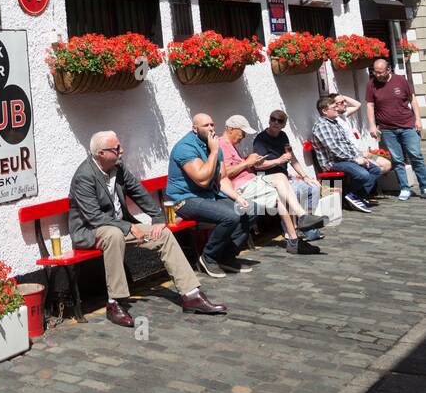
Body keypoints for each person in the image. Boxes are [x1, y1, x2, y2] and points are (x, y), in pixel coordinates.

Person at [68, 131, 226, 324]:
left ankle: (191, 295)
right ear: (101, 153)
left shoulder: (117, 166)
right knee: (113, 234)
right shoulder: (84, 176)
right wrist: (127, 226)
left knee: (163, 234)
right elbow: (94, 217)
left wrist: (157, 217)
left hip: (119, 227)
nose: (121, 151)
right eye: (116, 148)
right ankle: (114, 302)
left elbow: (138, 191)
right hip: (91, 231)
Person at [166, 113, 255, 279]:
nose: (211, 128)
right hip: (185, 199)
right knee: (231, 215)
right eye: (206, 125)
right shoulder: (186, 147)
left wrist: (237, 197)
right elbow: (202, 178)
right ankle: (208, 257)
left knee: (251, 209)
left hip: (208, 196)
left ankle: (227, 256)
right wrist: (214, 151)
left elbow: (222, 178)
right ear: (195, 129)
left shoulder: (213, 145)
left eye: (212, 124)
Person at [219, 116, 321, 255]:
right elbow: (224, 174)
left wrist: (252, 162)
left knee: (281, 180)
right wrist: (247, 162)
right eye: (242, 132)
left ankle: (297, 232)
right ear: (231, 129)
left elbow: (240, 167)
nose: (243, 136)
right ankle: (297, 233)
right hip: (241, 188)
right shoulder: (221, 145)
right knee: (281, 188)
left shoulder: (231, 145)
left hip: (251, 181)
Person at [247, 109, 336, 233]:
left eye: (279, 121)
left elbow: (292, 157)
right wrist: (279, 160)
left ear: (283, 125)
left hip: (285, 176)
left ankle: (308, 223)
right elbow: (258, 165)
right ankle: (296, 230)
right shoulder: (261, 139)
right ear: (269, 120)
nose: (275, 122)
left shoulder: (283, 136)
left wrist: (305, 176)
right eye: (273, 119)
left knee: (314, 187)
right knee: (296, 191)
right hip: (269, 179)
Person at [366, 56, 426, 201]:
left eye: (380, 72)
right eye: (375, 72)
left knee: (416, 156)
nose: (378, 75)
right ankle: (404, 188)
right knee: (397, 160)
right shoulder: (371, 84)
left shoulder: (401, 80)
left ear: (388, 69)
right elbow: (370, 105)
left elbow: (412, 100)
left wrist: (418, 119)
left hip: (407, 125)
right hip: (387, 129)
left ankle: (424, 185)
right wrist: (372, 125)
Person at [311, 96, 381, 213]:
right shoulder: (322, 126)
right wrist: (355, 160)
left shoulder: (334, 123)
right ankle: (348, 195)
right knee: (363, 174)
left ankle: (355, 196)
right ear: (324, 111)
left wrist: (360, 156)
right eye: (334, 107)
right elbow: (335, 149)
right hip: (333, 163)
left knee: (375, 169)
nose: (337, 109)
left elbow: (348, 144)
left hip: (345, 160)